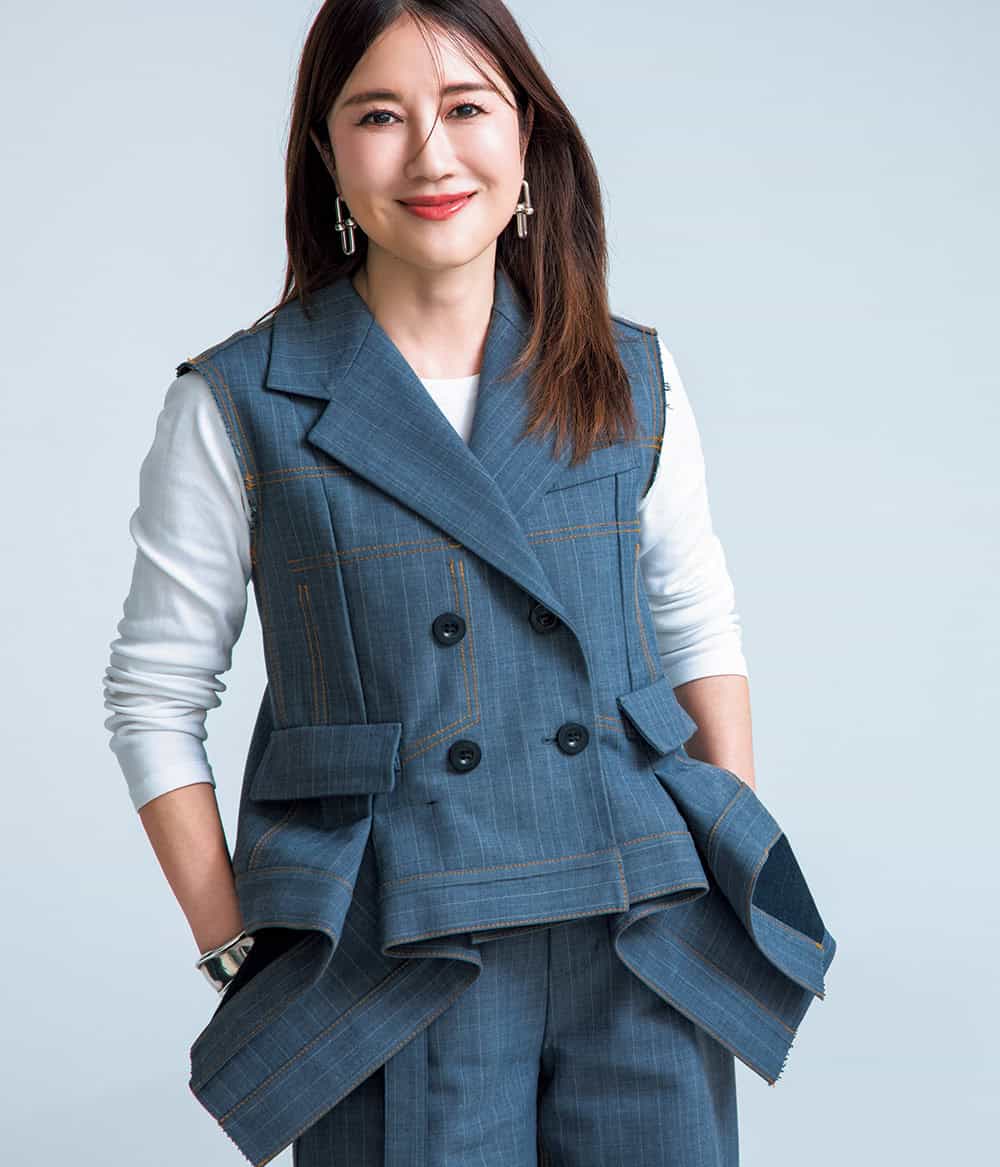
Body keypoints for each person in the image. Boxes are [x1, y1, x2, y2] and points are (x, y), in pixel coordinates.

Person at [103, 3, 836, 1165]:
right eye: (378, 116)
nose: (431, 156)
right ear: (325, 153)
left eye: (465, 108)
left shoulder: (626, 373)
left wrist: (719, 866)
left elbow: (698, 627)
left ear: (526, 136)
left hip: (639, 923)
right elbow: (154, 695)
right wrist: (234, 946)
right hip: (393, 947)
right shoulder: (238, 400)